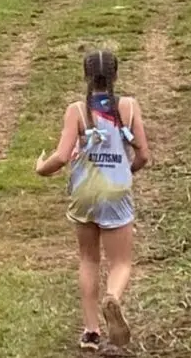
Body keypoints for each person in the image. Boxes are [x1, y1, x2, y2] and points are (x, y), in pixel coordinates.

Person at [35, 50, 151, 352]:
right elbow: (143, 155)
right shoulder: (128, 107)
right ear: (116, 75)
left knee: (88, 259)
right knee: (121, 262)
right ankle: (112, 296)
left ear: (86, 76)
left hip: (84, 192)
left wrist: (40, 168)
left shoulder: (77, 110)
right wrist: (128, 172)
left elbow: (61, 156)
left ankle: (90, 332)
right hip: (116, 193)